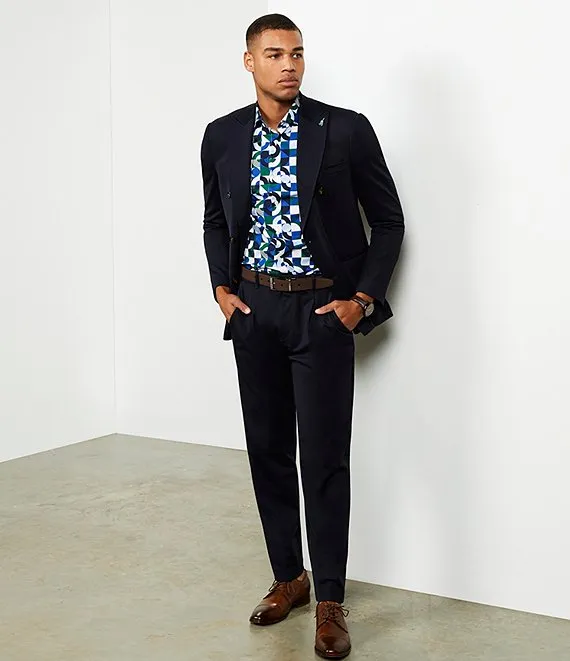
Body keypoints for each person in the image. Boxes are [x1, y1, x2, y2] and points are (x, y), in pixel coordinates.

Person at [200, 13, 404, 659]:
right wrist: (221, 289)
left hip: (321, 312)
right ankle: (289, 575)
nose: (288, 64)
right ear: (249, 62)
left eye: (296, 53)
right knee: (266, 450)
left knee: (323, 457)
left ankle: (331, 600)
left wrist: (360, 301)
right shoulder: (222, 135)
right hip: (254, 310)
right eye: (274, 54)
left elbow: (389, 220)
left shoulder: (344, 129)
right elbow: (214, 218)